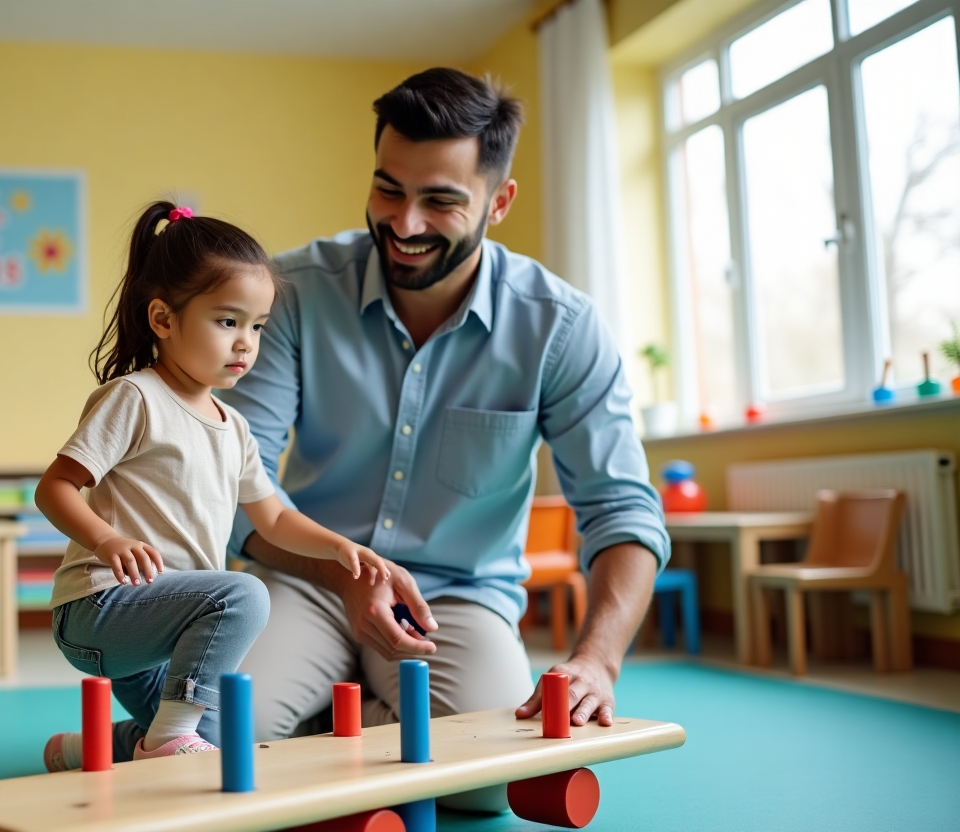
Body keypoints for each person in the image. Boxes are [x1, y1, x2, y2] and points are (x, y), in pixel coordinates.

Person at [218, 68, 669, 811]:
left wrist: (598, 661)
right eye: (388, 190)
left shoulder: (561, 326)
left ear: (500, 201)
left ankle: (335, 723)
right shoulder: (292, 292)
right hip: (308, 576)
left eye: (441, 200)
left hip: (456, 599)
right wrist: (346, 575)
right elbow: (242, 485)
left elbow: (623, 510)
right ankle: (357, 723)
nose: (405, 223)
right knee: (219, 738)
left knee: (490, 788)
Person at [37, 201, 393, 770]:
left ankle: (94, 750)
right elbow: (54, 488)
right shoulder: (136, 398)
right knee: (245, 592)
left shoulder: (235, 427)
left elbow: (273, 518)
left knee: (228, 736)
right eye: (228, 322)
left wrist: (338, 545)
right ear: (163, 319)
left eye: (257, 326)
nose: (246, 343)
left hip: (168, 629)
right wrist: (107, 540)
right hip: (101, 609)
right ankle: (167, 735)